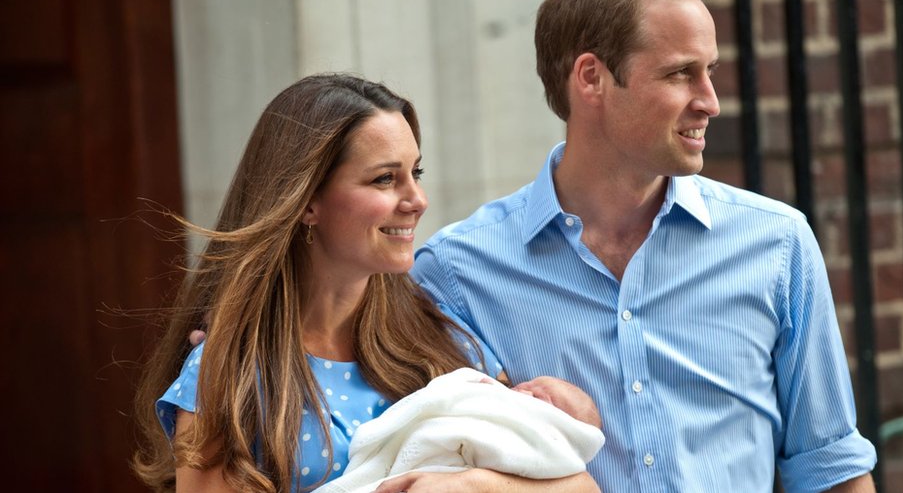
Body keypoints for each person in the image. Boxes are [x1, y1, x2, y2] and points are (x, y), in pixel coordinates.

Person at [411, 0, 878, 493]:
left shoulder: (776, 244)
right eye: (681, 73)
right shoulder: (457, 273)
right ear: (592, 78)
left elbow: (831, 469)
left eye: (711, 71)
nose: (711, 102)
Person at [132, 74, 600, 493]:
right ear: (307, 201)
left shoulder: (441, 337)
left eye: (414, 173)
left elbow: (578, 484)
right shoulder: (229, 376)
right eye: (384, 179)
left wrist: (470, 485)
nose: (417, 200)